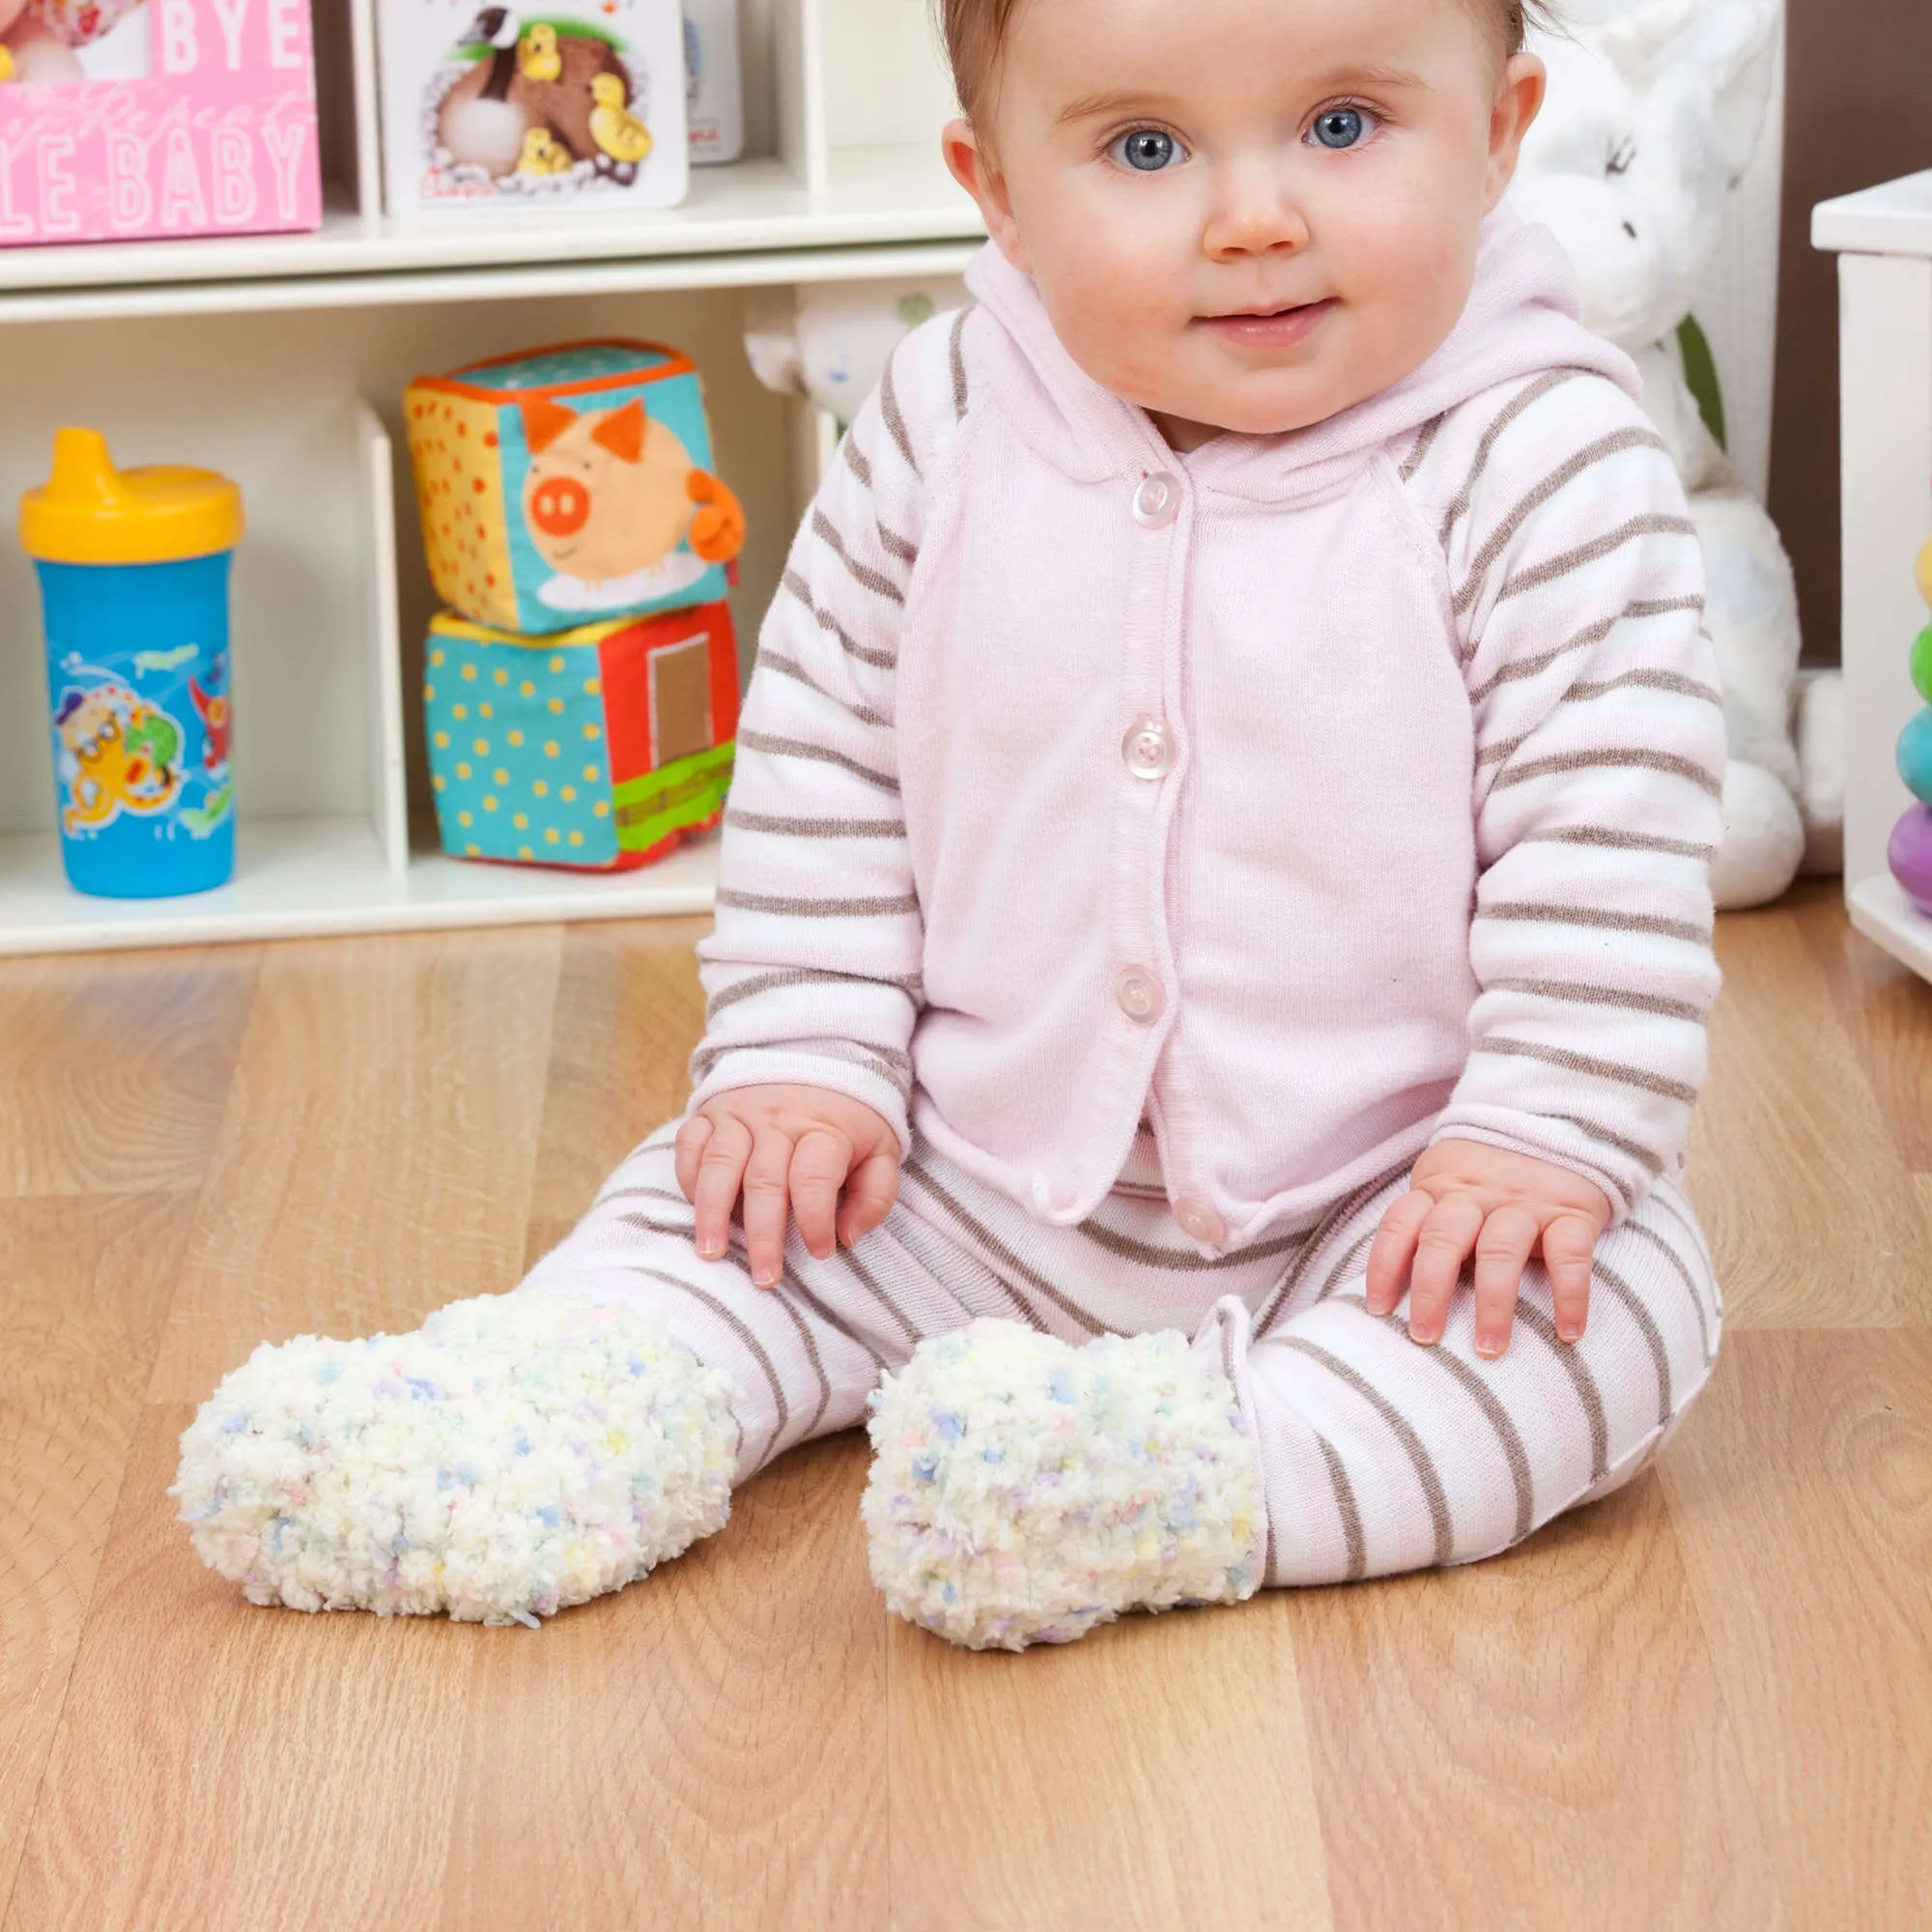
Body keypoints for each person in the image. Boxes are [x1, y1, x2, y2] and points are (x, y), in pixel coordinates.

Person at [179, 0, 1727, 1648]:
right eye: (1145, 149)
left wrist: (1540, 1135)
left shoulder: (1543, 455)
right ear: (994, 188)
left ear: (1499, 133)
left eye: (1345, 127)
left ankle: (1186, 1477)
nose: (1257, 217)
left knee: (1603, 1309)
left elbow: (1611, 837)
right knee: (724, 1207)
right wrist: (803, 1052)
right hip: (960, 1168)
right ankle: (551, 1418)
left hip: (1395, 1199)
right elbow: (832, 751)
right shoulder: (951, 412)